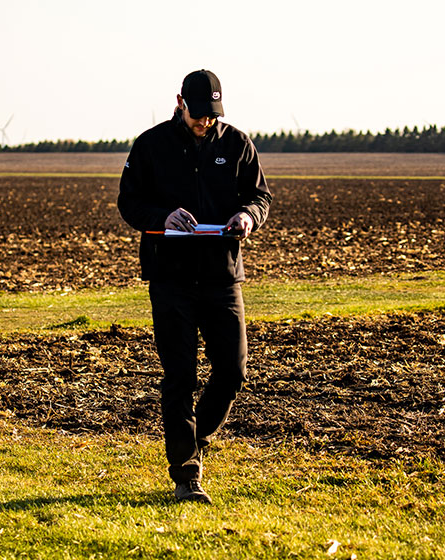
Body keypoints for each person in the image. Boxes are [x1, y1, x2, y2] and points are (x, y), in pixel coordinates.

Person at [117, 69, 272, 504]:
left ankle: (195, 438)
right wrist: (161, 219)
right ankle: (186, 473)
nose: (205, 122)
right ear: (181, 102)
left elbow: (260, 196)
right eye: (198, 114)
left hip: (223, 276)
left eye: (212, 115)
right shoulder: (151, 146)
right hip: (171, 281)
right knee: (180, 376)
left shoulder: (238, 144)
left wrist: (248, 218)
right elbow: (129, 202)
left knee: (233, 371)